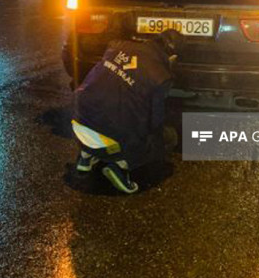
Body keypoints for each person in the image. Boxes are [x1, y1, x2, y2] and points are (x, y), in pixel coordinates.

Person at [71, 30, 183, 194]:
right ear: (172, 57)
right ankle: (120, 166)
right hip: (109, 134)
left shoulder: (118, 45)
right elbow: (155, 121)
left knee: (104, 109)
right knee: (165, 137)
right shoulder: (161, 77)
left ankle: (86, 157)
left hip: (78, 120)